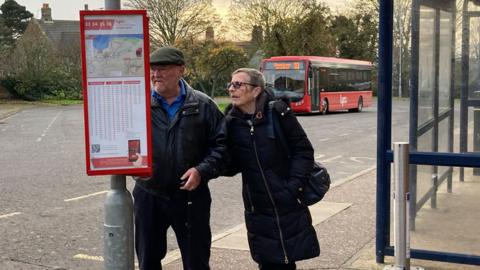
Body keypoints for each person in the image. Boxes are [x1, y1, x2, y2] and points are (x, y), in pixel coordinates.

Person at [133, 46, 227, 270]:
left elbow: (223, 146)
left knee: (196, 261)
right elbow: (121, 139)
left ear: (181, 70)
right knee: (148, 260)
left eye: (163, 69)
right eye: (153, 70)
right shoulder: (138, 104)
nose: (156, 75)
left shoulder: (203, 105)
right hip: (149, 194)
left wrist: (202, 170)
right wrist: (127, 162)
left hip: (191, 197)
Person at [223, 68, 320, 270]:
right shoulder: (230, 123)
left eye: (239, 84)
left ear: (256, 90)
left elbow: (303, 150)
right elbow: (230, 165)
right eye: (231, 84)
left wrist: (293, 187)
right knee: (267, 261)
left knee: (286, 259)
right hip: (257, 205)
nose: (232, 89)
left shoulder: (278, 112)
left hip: (286, 199)